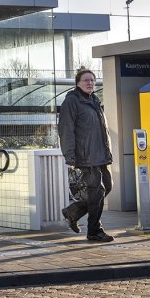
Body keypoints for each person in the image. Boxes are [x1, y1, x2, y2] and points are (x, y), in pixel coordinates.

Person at [58, 68, 114, 242]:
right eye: (86, 80)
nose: (90, 83)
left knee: (107, 186)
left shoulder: (94, 100)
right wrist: (70, 156)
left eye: (92, 80)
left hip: (100, 156)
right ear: (78, 83)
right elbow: (66, 130)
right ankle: (94, 231)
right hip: (86, 156)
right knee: (97, 193)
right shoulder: (72, 102)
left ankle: (72, 212)